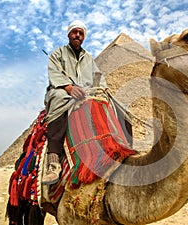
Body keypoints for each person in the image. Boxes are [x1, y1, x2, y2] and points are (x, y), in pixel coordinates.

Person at [42, 20, 106, 185]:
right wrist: (69, 87)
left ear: (84, 36)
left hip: (86, 93)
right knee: (58, 98)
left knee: (114, 106)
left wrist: (101, 91)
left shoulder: (89, 59)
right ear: (69, 34)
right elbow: (54, 74)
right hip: (63, 91)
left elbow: (98, 78)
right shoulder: (58, 54)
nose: (78, 35)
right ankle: (54, 162)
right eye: (74, 32)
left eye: (81, 33)